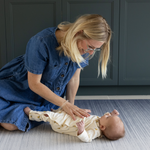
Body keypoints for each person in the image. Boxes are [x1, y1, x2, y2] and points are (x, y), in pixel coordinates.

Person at [0, 14, 112, 132]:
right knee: (10, 121)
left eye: (95, 49)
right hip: (18, 87)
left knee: (12, 125)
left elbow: (74, 78)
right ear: (79, 32)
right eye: (90, 47)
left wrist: (70, 107)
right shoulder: (40, 42)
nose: (90, 53)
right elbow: (34, 84)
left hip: (48, 97)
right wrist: (64, 104)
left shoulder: (84, 48)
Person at [24, 107, 125, 142]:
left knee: (49, 116)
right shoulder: (102, 123)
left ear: (102, 127)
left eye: (108, 116)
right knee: (64, 110)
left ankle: (31, 114)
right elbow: (105, 117)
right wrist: (112, 114)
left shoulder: (95, 131)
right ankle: (56, 111)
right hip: (70, 118)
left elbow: (87, 138)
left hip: (63, 125)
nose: (107, 114)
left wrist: (81, 130)